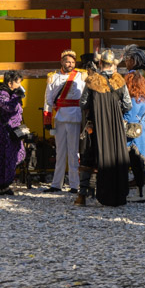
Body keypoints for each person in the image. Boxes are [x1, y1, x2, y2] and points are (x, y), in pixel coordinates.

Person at [77, 50, 132, 207]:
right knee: (116, 158)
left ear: (100, 63)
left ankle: (83, 196)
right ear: (113, 64)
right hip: (116, 128)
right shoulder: (120, 81)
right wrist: (114, 109)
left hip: (95, 127)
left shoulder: (92, 80)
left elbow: (83, 104)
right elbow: (128, 105)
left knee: (88, 158)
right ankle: (118, 194)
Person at [43, 50, 85, 193]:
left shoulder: (81, 76)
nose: (70, 64)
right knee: (60, 152)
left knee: (74, 152)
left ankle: (75, 184)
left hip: (75, 117)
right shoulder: (53, 77)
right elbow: (48, 99)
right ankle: (56, 184)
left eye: (73, 62)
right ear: (61, 62)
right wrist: (47, 119)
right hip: (60, 117)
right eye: (68, 62)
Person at [124, 69, 145, 203]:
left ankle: (141, 194)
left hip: (132, 136)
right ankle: (142, 193)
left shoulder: (134, 99)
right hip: (140, 133)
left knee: (136, 165)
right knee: (141, 165)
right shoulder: (143, 97)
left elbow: (130, 117)